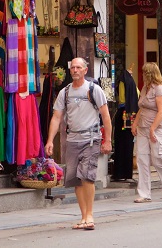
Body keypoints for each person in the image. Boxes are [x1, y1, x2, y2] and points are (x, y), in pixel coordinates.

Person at [45, 58, 112, 231]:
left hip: (91, 139)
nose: (75, 70)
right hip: (72, 139)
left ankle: (90, 215)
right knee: (76, 179)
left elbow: (106, 116)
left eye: (78, 67)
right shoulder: (65, 92)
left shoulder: (94, 89)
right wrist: (50, 140)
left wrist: (108, 140)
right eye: (73, 67)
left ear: (85, 70)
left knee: (87, 177)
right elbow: (56, 117)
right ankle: (83, 217)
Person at [132, 62, 162, 203]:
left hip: (157, 128)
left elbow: (161, 111)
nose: (143, 75)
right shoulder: (145, 88)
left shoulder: (159, 89)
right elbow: (142, 108)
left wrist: (152, 128)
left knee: (157, 158)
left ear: (150, 74)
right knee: (142, 159)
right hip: (143, 127)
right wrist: (135, 123)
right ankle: (144, 193)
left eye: (145, 72)